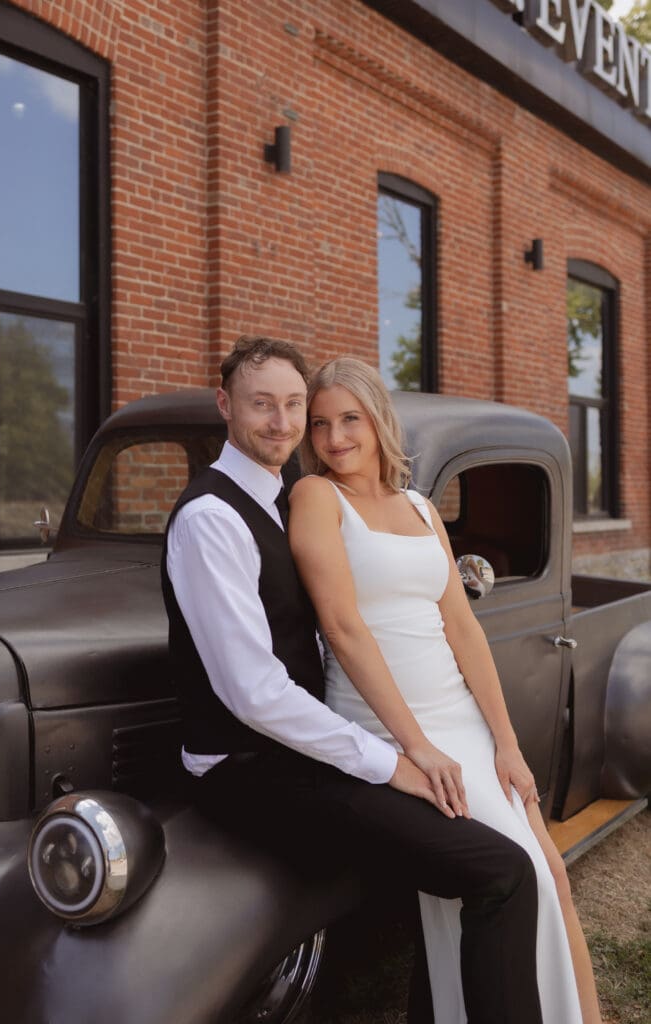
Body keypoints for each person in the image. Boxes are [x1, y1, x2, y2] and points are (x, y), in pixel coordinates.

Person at [161, 335, 544, 1024]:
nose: (280, 423)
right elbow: (253, 693)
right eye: (260, 406)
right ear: (225, 405)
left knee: (486, 862)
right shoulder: (212, 519)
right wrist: (392, 762)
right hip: (248, 771)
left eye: (291, 406)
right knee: (498, 871)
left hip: (307, 752)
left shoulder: (287, 501)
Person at [288, 355, 603, 1024]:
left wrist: (507, 744)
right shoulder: (316, 498)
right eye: (319, 424)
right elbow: (343, 629)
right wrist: (416, 749)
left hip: (460, 717)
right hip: (387, 728)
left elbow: (460, 628)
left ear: (377, 419)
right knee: (505, 875)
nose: (335, 438)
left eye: (349, 418)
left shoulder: (420, 507)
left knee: (550, 874)